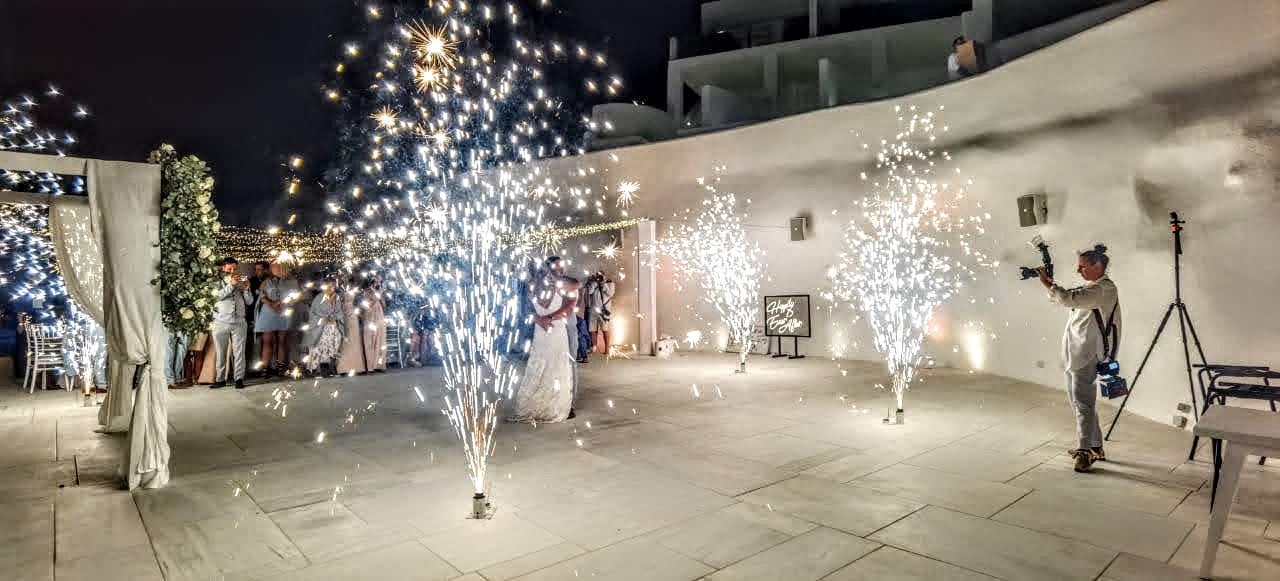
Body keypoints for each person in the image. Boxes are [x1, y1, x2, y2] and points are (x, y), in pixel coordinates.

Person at [1039, 244, 1122, 473]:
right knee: (1082, 403)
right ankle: (1096, 447)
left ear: (1098, 266)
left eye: (1082, 267)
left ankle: (1085, 452)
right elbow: (1067, 299)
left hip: (1086, 355)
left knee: (1083, 404)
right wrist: (1053, 287)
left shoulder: (1103, 289)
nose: (1079, 271)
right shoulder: (1093, 288)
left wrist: (1048, 283)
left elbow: (1067, 298)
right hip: (1075, 354)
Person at [509, 257, 578, 423]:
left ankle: (564, 403)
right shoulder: (534, 286)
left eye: (561, 268)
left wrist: (546, 318)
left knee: (557, 365)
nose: (559, 271)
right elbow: (525, 310)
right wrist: (541, 320)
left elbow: (574, 294)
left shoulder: (561, 284)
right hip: (548, 330)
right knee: (544, 364)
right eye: (555, 267)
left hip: (551, 329)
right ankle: (550, 406)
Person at [211, 257, 252, 389]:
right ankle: (220, 379)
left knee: (239, 351)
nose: (232, 271)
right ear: (223, 268)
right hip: (221, 321)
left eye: (234, 268)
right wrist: (231, 285)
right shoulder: (215, 281)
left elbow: (250, 301)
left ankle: (239, 379)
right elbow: (216, 296)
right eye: (229, 269)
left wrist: (246, 289)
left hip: (239, 322)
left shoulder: (241, 281)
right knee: (220, 351)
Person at [255, 261, 297, 376]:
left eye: (278, 267)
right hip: (268, 313)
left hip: (283, 312)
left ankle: (280, 368)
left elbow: (295, 296)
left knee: (281, 341)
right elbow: (261, 296)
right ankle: (265, 368)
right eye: (274, 267)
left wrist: (283, 304)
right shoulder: (266, 282)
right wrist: (271, 304)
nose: (276, 269)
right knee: (267, 340)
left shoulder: (290, 281)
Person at [304, 279, 346, 377]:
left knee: (334, 346)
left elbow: (340, 312)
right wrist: (322, 319)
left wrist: (335, 318)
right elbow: (312, 313)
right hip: (321, 328)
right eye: (329, 285)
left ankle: (332, 367)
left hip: (334, 327)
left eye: (333, 285)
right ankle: (320, 369)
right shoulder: (319, 298)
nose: (332, 287)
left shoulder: (337, 297)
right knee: (321, 347)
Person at [336, 276, 367, 375]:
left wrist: (359, 313)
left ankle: (357, 366)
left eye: (347, 280)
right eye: (343, 280)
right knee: (345, 339)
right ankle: (344, 367)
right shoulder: (339, 290)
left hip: (352, 315)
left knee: (354, 339)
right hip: (343, 315)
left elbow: (359, 303)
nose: (345, 282)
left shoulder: (356, 291)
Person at [361, 276, 388, 372]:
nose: (378, 283)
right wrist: (377, 296)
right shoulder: (366, 291)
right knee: (370, 339)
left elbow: (384, 306)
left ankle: (379, 365)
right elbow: (367, 306)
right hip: (370, 316)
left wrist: (380, 296)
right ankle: (370, 366)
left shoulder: (380, 292)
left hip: (379, 316)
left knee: (380, 340)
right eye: (376, 280)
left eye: (380, 281)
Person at [585, 271, 615, 355]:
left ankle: (607, 349)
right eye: (597, 276)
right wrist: (593, 283)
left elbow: (610, 294)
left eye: (601, 276)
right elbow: (590, 292)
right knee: (592, 330)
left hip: (604, 310)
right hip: (593, 310)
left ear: (604, 276)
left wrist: (603, 283)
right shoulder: (594, 283)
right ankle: (594, 348)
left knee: (605, 329)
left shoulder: (609, 283)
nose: (599, 277)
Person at [247, 261, 270, 369]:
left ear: (266, 270)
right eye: (256, 269)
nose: (257, 272)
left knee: (268, 341)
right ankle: (255, 366)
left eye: (260, 269)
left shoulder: (272, 281)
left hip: (269, 315)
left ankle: (267, 365)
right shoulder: (251, 282)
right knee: (256, 342)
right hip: (255, 315)